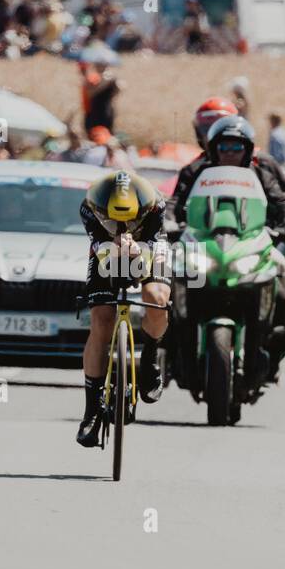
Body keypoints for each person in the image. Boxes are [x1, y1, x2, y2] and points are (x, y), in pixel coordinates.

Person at [76, 170, 171, 447]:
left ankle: (150, 358)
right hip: (104, 245)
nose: (123, 225)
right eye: (114, 220)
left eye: (130, 219)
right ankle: (91, 412)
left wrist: (137, 254)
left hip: (150, 243)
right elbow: (97, 244)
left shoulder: (156, 205)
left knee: (156, 296)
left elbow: (154, 243)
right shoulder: (89, 206)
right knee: (101, 319)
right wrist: (113, 248)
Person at [168, 99, 285, 229]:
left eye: (237, 147)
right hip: (203, 237)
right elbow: (176, 202)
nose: (230, 153)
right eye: (223, 147)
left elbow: (284, 201)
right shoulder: (194, 169)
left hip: (258, 236)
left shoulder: (263, 166)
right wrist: (170, 221)